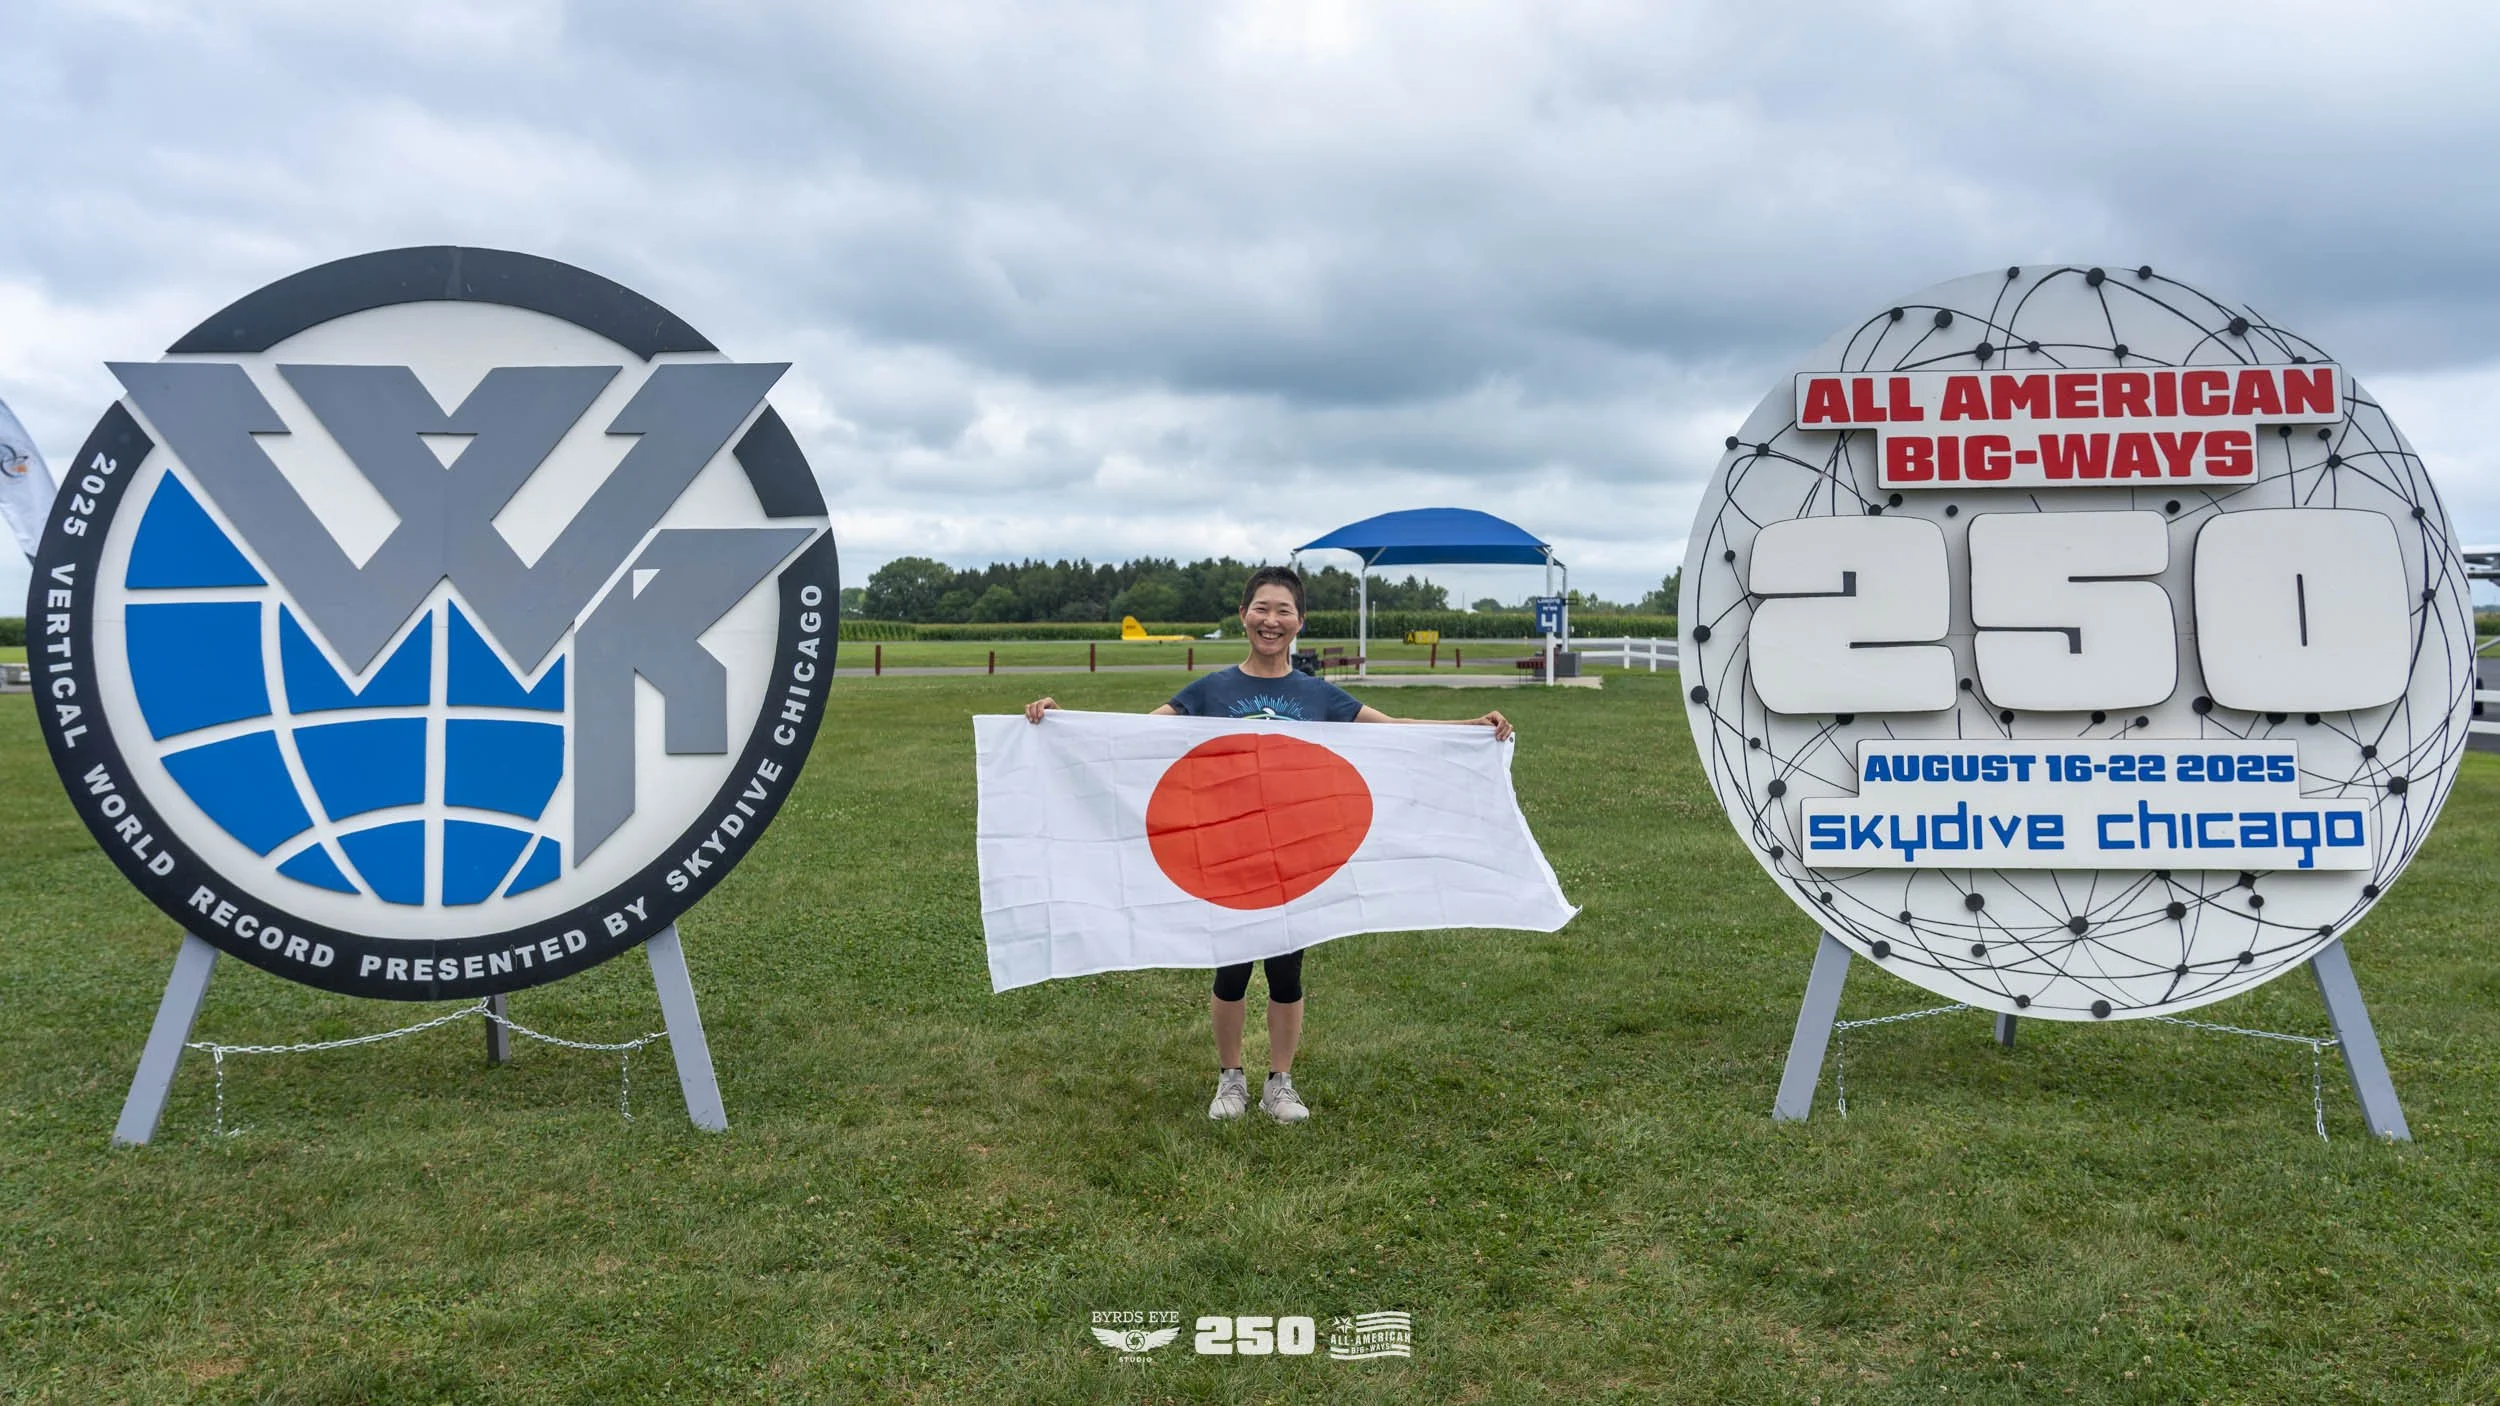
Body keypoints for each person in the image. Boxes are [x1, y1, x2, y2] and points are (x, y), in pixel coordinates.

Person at [1026, 565, 1512, 1125]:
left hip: (1294, 855)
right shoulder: (1211, 689)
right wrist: (1067, 725)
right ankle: (1230, 1077)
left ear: (1299, 621)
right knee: (1230, 970)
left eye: (1283, 611)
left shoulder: (1318, 695)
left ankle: (1280, 1082)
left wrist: (1467, 727)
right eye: (1261, 608)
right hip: (1226, 853)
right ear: (1243, 615)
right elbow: (1131, 737)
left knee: (1286, 972)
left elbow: (1393, 731)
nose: (1271, 620)